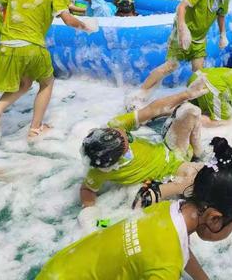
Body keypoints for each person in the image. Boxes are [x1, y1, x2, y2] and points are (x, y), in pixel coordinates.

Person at [36, 137, 232, 280]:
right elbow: (169, 257)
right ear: (214, 219)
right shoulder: (165, 268)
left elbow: (182, 250)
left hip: (58, 269)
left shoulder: (166, 211)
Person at [0, 0, 89, 143]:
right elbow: (68, 20)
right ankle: (35, 129)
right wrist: (86, 26)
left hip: (6, 46)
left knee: (24, 83)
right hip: (32, 47)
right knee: (46, 83)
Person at [78, 75, 208, 216]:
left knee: (190, 111)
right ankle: (195, 162)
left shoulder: (115, 127)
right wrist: (89, 212)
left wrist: (186, 94)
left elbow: (151, 109)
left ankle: (197, 152)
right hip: (170, 171)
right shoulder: (99, 172)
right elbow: (87, 190)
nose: (125, 133)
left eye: (125, 134)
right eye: (128, 139)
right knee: (204, 180)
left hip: (170, 147)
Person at [128, 0, 232, 110]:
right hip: (182, 34)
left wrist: (223, 34)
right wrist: (183, 29)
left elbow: (221, 14)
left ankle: (193, 103)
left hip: (199, 39)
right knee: (170, 66)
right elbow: (181, 7)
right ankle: (139, 94)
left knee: (198, 72)